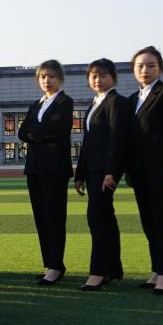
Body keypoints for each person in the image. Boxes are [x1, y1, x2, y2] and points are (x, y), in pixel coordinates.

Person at [124, 46, 163, 295]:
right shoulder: (131, 100)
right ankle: (156, 270)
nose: (145, 70)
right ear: (133, 70)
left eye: (151, 65)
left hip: (162, 171)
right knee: (149, 222)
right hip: (139, 171)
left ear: (160, 68)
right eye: (140, 66)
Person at [18, 59, 75, 285]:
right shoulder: (36, 104)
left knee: (54, 218)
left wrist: (34, 132)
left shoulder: (65, 102)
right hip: (34, 168)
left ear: (60, 78)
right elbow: (22, 132)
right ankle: (49, 264)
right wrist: (39, 132)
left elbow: (58, 128)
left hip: (55, 169)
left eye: (51, 76)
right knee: (41, 218)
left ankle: (56, 266)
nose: (46, 80)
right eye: (42, 77)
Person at [73, 58, 126, 291]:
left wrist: (111, 171)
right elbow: (87, 144)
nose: (98, 79)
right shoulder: (95, 103)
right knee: (105, 218)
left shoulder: (116, 102)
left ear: (113, 77)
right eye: (94, 76)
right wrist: (80, 174)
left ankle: (98, 272)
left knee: (98, 218)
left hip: (106, 173)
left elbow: (117, 140)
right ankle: (112, 269)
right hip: (93, 171)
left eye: (103, 75)